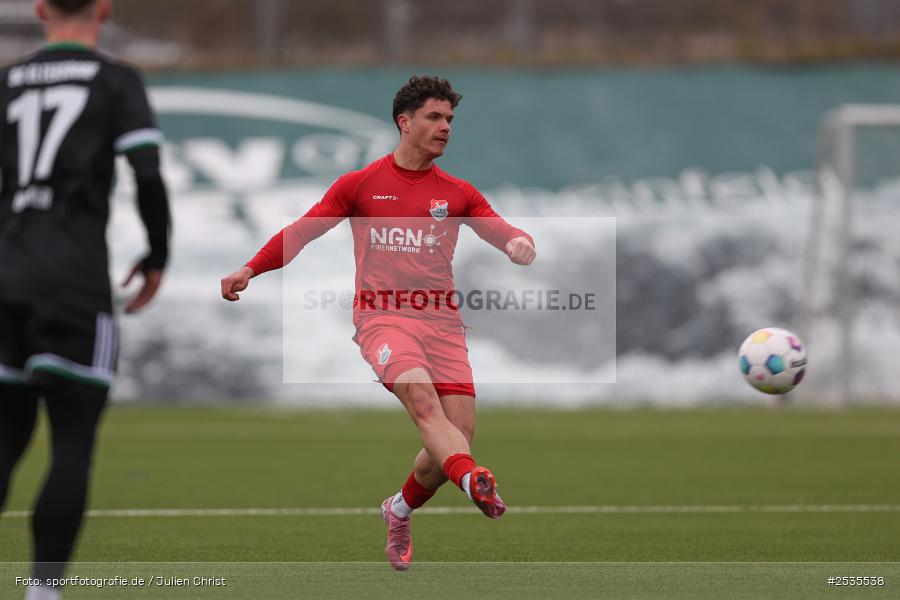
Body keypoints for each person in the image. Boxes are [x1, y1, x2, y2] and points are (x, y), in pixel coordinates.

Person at [221, 75, 535, 571]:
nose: (445, 127)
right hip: (384, 318)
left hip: (443, 325)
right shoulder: (361, 185)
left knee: (453, 438)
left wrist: (520, 243)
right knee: (424, 405)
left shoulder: (457, 193)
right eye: (434, 117)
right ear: (404, 122)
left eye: (450, 119)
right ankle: (473, 477)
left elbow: (502, 230)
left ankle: (399, 508)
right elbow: (301, 232)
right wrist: (250, 267)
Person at [0, 1, 170, 598]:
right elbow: (146, 172)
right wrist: (157, 254)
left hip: (7, 275)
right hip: (72, 282)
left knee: (4, 437)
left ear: (41, 9)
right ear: (104, 8)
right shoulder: (115, 79)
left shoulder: (7, 80)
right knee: (71, 442)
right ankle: (42, 593)